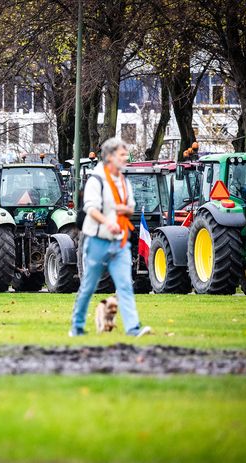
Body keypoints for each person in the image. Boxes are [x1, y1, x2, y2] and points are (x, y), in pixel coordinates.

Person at [69, 137, 152, 337]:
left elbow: (130, 207)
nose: (126, 158)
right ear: (109, 157)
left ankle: (133, 329)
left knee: (124, 285)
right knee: (89, 286)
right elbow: (90, 208)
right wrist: (108, 221)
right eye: (122, 155)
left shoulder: (123, 180)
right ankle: (77, 326)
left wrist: (118, 210)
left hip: (119, 242)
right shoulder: (96, 179)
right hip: (97, 241)